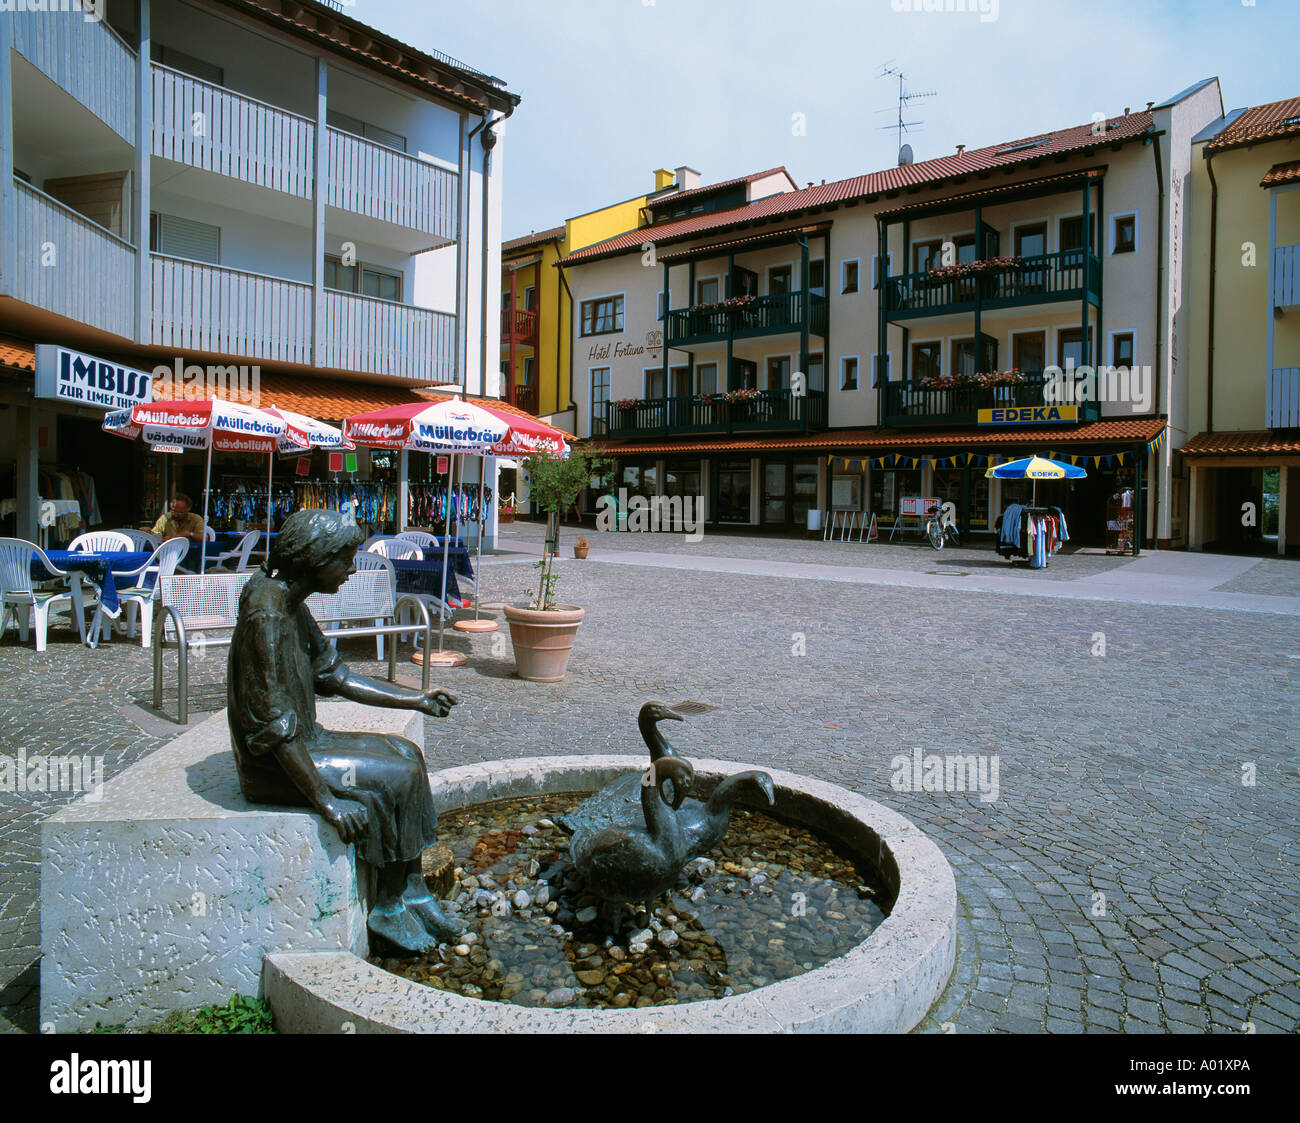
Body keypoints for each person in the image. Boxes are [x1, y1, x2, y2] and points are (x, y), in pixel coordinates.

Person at [226, 509, 463, 953]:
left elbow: (336, 676)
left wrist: (417, 698)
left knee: (407, 752)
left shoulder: (287, 599)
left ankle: (412, 889)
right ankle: (388, 907)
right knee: (397, 774)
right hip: (275, 765)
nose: (354, 570)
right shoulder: (268, 617)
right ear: (316, 560)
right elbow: (274, 730)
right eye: (346, 559)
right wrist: (327, 801)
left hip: (303, 743)